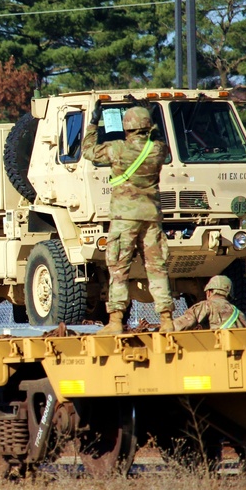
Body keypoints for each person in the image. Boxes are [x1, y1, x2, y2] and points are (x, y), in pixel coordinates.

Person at [82, 104, 175, 334]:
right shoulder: (158, 150)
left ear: (127, 128)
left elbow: (89, 152)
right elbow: (164, 145)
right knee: (157, 269)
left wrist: (93, 124)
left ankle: (115, 321)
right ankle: (167, 320)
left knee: (118, 268)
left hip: (125, 218)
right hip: (151, 217)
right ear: (148, 127)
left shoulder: (118, 149)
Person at [173, 275, 246, 331]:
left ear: (209, 292)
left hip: (217, 347)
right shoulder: (239, 314)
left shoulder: (206, 306)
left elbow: (186, 322)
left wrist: (168, 326)